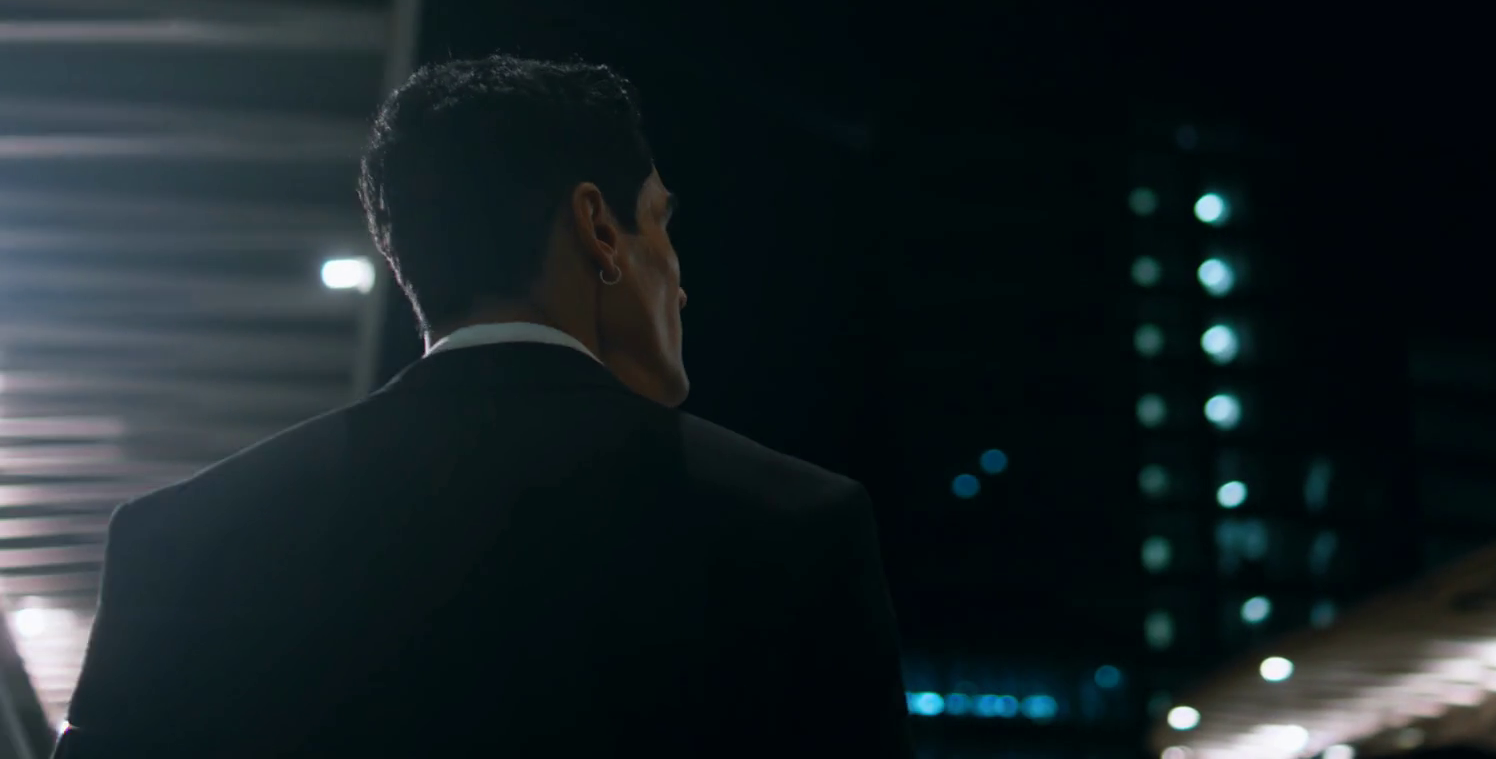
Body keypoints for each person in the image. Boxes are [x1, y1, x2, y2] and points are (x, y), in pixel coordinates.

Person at [54, 55, 912, 757]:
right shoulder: (794, 527)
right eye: (659, 223)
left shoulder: (184, 539)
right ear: (598, 228)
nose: (679, 285)